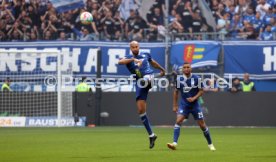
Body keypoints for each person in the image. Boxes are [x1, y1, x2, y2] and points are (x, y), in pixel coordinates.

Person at [118, 41, 165, 149]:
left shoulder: (145, 55)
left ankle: (155, 76)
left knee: (145, 79)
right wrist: (133, 60)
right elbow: (120, 62)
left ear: (139, 46)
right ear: (130, 48)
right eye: (133, 47)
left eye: (136, 46)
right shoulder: (128, 58)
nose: (135, 48)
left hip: (148, 77)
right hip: (139, 83)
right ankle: (152, 135)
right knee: (141, 111)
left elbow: (153, 62)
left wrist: (161, 69)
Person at [167, 62, 216, 151]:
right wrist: (174, 105)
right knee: (178, 121)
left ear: (191, 68)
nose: (186, 69)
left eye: (188, 67)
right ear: (182, 69)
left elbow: (201, 91)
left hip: (195, 105)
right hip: (184, 105)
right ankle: (174, 143)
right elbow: (176, 92)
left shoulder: (197, 78)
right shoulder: (179, 79)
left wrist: (194, 98)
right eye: (184, 67)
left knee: (202, 125)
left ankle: (210, 144)